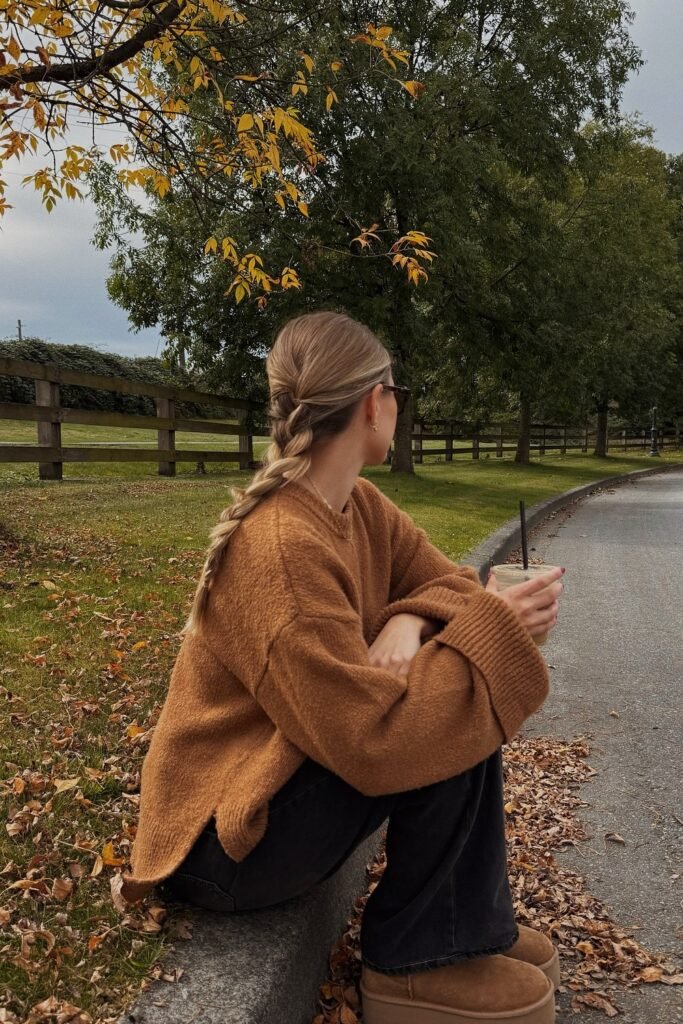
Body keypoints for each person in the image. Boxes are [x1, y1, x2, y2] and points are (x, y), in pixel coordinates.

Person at [120, 311, 564, 1024]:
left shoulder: (356, 503)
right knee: (451, 692)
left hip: (290, 776)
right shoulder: (281, 551)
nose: (398, 405)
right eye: (397, 392)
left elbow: (446, 580)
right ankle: (415, 963)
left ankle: (458, 928)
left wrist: (406, 617)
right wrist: (485, 626)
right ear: (371, 401)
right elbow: (370, 743)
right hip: (225, 841)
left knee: (456, 680)